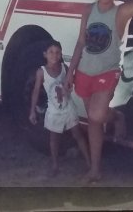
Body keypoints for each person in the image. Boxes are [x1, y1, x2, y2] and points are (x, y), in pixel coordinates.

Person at [66, 0, 133, 183]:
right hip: (84, 71)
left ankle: (116, 117)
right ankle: (95, 169)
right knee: (93, 120)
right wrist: (70, 71)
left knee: (95, 116)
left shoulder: (121, 11)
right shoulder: (88, 10)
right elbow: (81, 42)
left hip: (108, 72)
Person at [29, 39, 90, 177]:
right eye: (51, 52)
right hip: (54, 111)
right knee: (54, 138)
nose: (54, 55)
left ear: (61, 54)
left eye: (57, 52)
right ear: (45, 54)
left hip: (68, 108)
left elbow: (71, 81)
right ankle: (55, 165)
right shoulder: (41, 71)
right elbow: (36, 91)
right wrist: (32, 110)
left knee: (78, 134)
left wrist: (71, 85)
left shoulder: (64, 68)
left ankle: (89, 163)